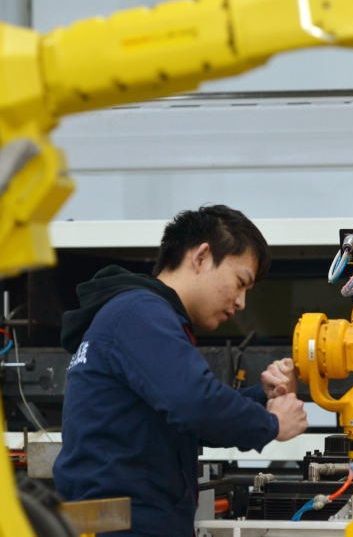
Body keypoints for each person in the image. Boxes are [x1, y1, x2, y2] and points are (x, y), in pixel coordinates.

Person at [53, 205, 308, 537]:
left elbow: (183, 418)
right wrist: (272, 423)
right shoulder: (140, 313)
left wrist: (264, 396)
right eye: (240, 282)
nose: (242, 302)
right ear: (201, 257)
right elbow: (195, 402)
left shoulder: (138, 315)